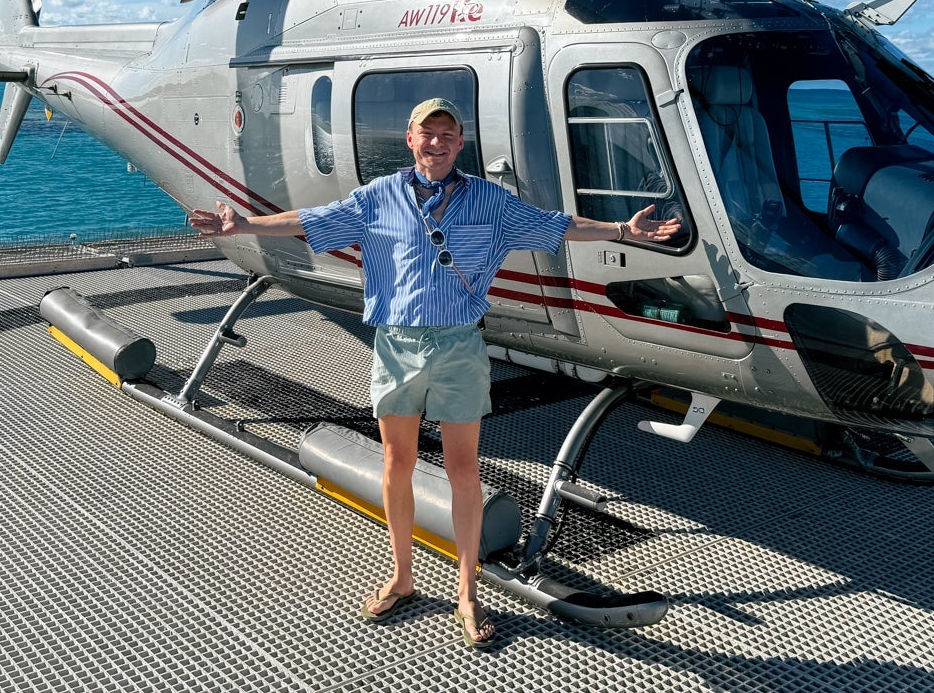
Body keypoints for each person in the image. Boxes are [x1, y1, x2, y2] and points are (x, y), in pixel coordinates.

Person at [188, 97, 681, 650]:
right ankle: (402, 575)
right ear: (410, 138)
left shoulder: (490, 201)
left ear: (461, 144)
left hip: (458, 347)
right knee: (397, 464)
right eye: (428, 132)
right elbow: (312, 221)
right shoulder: (378, 198)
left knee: (462, 470)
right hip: (396, 345)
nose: (438, 142)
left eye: (448, 134)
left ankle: (468, 591)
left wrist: (621, 229)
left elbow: (558, 225)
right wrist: (245, 223)